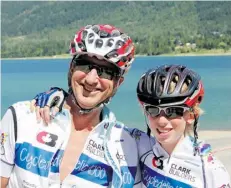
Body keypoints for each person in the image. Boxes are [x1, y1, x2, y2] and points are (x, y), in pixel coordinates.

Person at [32, 65, 230, 187]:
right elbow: (99, 123)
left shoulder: (209, 169)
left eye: (173, 112)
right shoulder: (138, 143)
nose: (162, 121)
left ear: (192, 114)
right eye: (153, 111)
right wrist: (61, 97)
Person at [0, 24, 141, 188]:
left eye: (105, 71)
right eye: (85, 65)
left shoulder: (128, 147)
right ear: (71, 68)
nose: (91, 79)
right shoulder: (21, 117)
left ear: (118, 82)